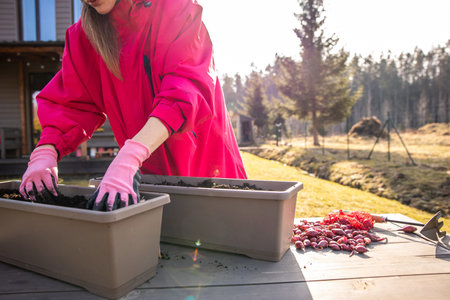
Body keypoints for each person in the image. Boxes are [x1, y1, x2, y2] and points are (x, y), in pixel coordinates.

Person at [19, 0, 247, 211]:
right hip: (145, 180)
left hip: (207, 168)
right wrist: (46, 152)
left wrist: (131, 154)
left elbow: (186, 88)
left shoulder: (174, 7)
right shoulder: (84, 37)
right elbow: (71, 104)